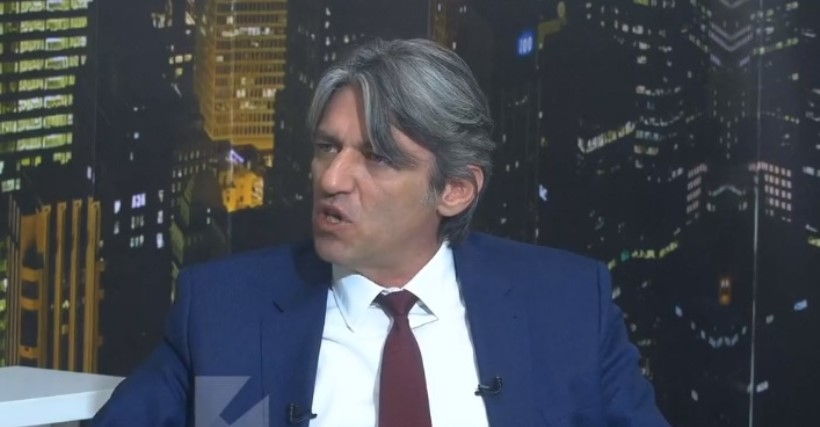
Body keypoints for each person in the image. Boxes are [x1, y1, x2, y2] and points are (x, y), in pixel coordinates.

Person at [93, 39, 668, 426]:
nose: (332, 179)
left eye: (377, 158)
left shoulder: (569, 306)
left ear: (455, 189)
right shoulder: (223, 310)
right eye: (328, 147)